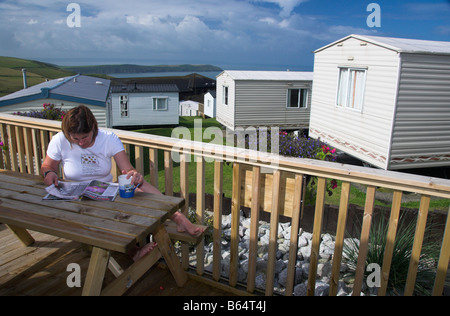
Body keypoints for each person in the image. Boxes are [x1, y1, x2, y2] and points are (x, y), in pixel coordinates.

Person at [41, 105, 204, 261]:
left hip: (102, 192)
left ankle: (177, 218)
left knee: (139, 188)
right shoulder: (60, 140)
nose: (81, 142)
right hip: (74, 199)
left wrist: (134, 176)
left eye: (85, 137)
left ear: (94, 128)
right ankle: (134, 252)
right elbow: (48, 166)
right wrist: (49, 173)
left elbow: (127, 170)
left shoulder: (108, 139)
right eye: (75, 138)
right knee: (109, 217)